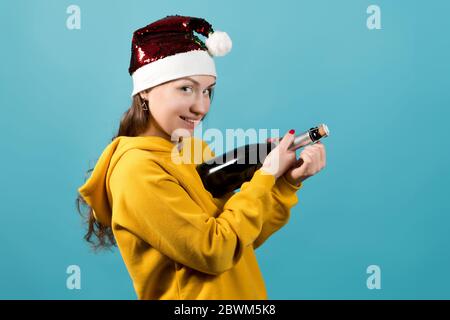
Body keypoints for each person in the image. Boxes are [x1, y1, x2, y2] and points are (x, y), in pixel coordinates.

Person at [76, 15, 326, 300]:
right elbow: (214, 250)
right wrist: (266, 176)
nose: (201, 106)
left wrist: (284, 184)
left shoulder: (193, 150)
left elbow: (240, 238)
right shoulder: (135, 171)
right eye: (186, 88)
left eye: (207, 91)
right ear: (145, 90)